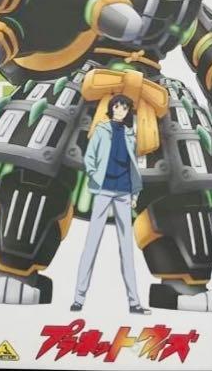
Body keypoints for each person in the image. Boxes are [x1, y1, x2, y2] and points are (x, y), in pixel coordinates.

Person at [71, 94, 151, 314]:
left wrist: (135, 193)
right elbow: (89, 157)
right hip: (104, 191)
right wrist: (96, 176)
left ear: (128, 111)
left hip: (124, 193)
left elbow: (132, 164)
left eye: (124, 108)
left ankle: (134, 303)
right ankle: (78, 299)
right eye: (117, 106)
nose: (120, 110)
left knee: (127, 249)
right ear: (111, 108)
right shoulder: (101, 130)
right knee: (91, 244)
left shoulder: (129, 134)